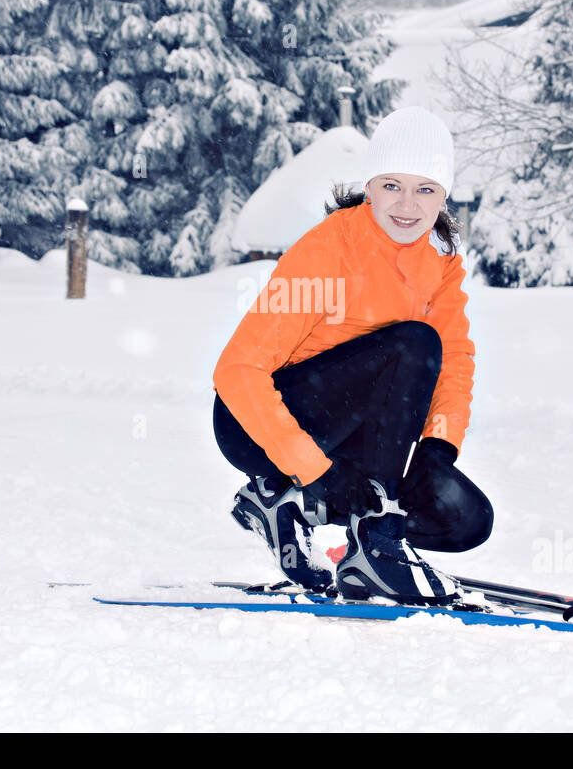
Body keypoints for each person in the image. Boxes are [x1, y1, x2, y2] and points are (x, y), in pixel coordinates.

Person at [211, 105, 493, 606]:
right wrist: (316, 469)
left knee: (464, 517)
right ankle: (373, 544)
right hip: (253, 423)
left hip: (346, 432)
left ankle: (285, 503)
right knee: (413, 342)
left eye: (425, 189)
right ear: (370, 185)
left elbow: (454, 361)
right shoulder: (330, 250)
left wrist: (437, 447)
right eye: (392, 185)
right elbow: (237, 371)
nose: (407, 204)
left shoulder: (441, 263)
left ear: (443, 196)